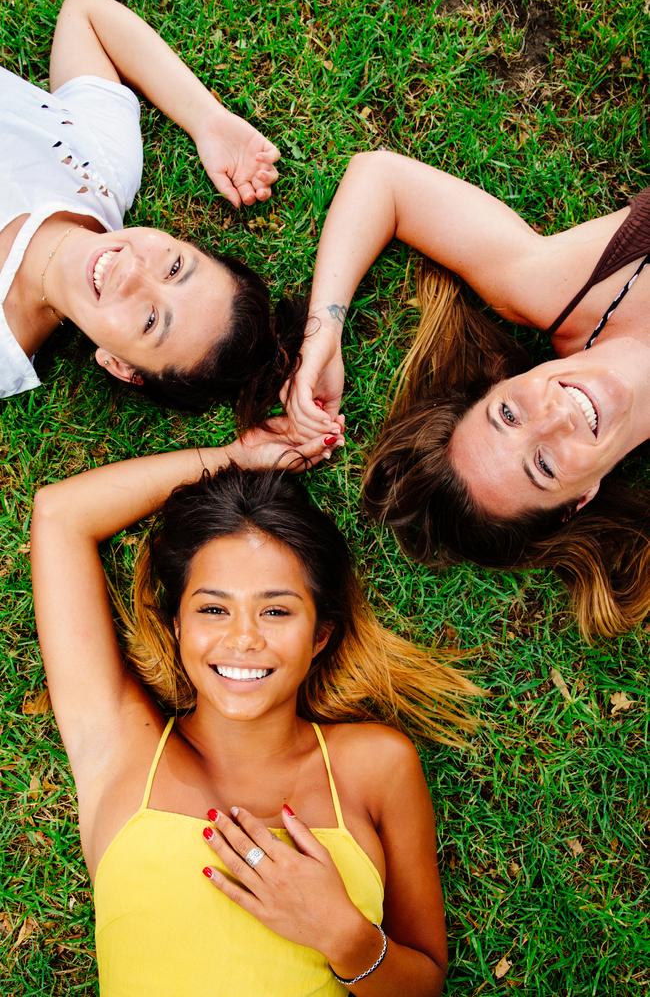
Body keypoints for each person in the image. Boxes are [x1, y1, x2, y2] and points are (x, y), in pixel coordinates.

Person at [31, 421, 479, 995]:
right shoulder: (119, 747)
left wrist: (342, 934)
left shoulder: (375, 766)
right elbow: (60, 516)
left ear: (320, 635)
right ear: (177, 626)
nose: (243, 639)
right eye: (214, 610)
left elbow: (423, 984)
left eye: (276, 611)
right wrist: (234, 457)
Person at [282, 152, 650, 638]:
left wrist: (324, 330)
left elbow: (383, 180)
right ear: (579, 499)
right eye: (543, 465)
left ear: (500, 383)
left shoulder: (560, 288)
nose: (555, 418)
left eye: (509, 415)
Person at [1, 0, 287, 415]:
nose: (132, 271)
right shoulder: (102, 166)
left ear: (119, 365)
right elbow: (87, 14)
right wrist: (206, 120)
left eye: (151, 320)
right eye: (174, 268)